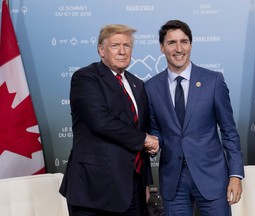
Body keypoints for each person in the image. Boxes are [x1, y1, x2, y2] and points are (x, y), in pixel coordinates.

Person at [145, 20, 244, 216]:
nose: (179, 48)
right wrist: (154, 142)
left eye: (184, 41)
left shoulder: (213, 81)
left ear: (191, 45)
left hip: (212, 178)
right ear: (162, 47)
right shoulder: (150, 87)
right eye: (172, 42)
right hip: (173, 181)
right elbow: (156, 129)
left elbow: (229, 131)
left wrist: (235, 175)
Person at [60, 24, 159, 216]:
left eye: (127, 46)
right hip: (95, 191)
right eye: (115, 45)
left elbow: (140, 130)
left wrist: (147, 183)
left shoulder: (137, 84)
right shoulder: (86, 78)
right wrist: (145, 139)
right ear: (101, 50)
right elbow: (101, 121)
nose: (122, 51)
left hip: (133, 189)